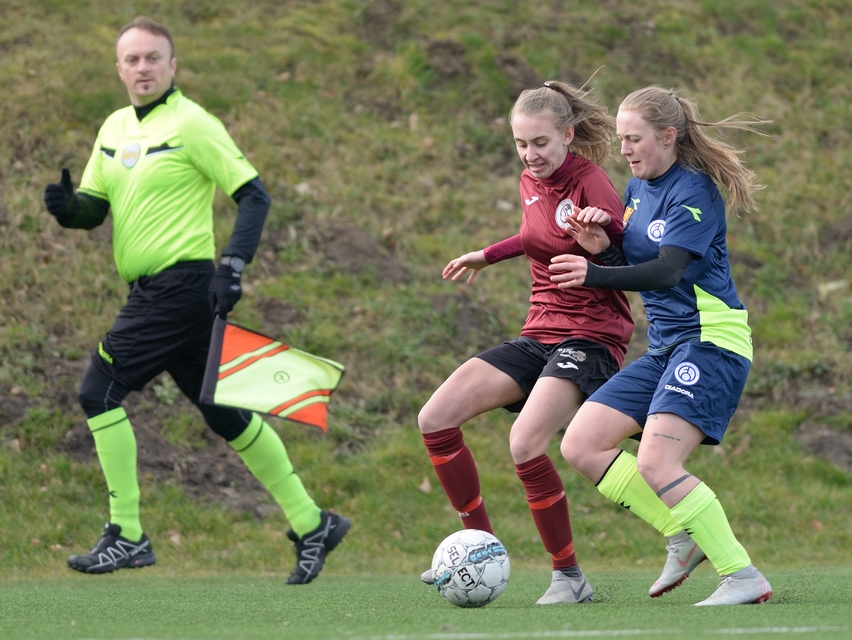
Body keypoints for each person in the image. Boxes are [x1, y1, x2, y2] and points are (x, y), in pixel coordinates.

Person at [41, 16, 349, 584]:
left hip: (179, 287)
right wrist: (68, 209)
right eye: (132, 59)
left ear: (172, 65)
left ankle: (127, 533)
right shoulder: (113, 128)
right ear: (119, 69)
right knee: (223, 410)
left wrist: (232, 266)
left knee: (97, 390)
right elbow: (94, 207)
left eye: (152, 58)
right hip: (154, 291)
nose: (142, 68)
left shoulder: (193, 123)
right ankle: (313, 523)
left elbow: (254, 195)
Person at [549, 85, 773, 606]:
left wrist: (592, 275)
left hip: (712, 341)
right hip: (668, 348)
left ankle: (741, 575)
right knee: (582, 443)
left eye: (635, 138)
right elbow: (637, 266)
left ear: (669, 136)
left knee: (656, 461)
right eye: (621, 138)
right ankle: (681, 534)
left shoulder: (693, 189)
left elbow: (669, 270)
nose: (625, 149)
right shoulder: (636, 188)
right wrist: (601, 250)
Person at [417, 80, 634, 605]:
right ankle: (478, 547)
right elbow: (537, 234)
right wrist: (488, 254)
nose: (530, 155)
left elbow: (629, 261)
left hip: (591, 336)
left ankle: (569, 577)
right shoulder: (529, 180)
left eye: (540, 143)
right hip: (539, 333)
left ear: (567, 135)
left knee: (524, 443)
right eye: (521, 144)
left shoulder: (591, 182)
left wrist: (602, 240)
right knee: (435, 417)